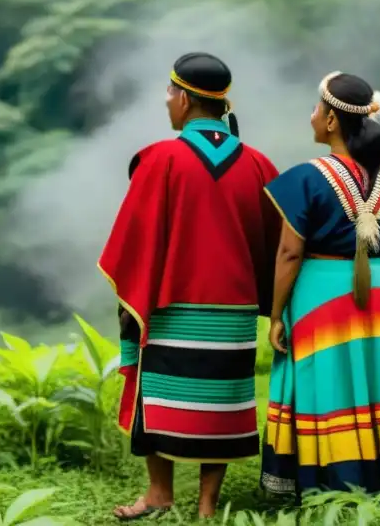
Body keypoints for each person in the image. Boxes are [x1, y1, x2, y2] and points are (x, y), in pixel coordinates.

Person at [99, 52, 280, 521]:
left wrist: (131, 301)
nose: (166, 104)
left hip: (172, 305)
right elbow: (274, 241)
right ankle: (206, 506)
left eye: (168, 94)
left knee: (156, 399)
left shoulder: (160, 160)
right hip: (235, 310)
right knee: (220, 404)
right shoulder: (258, 165)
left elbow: (137, 238)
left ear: (183, 99)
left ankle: (159, 493)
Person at [261, 71, 380, 496]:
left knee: (329, 384)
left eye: (317, 108)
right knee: (378, 382)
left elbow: (289, 254)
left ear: (332, 120)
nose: (313, 116)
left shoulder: (306, 178)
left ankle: (331, 480)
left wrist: (277, 314)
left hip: (322, 293)